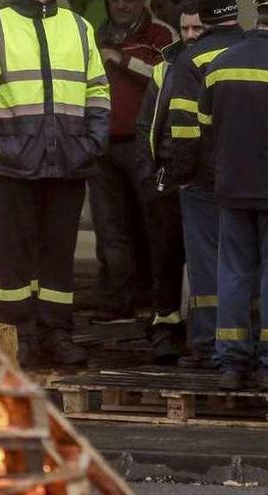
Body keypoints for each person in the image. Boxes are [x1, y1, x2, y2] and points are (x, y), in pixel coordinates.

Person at [0, 0, 111, 366]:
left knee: (59, 256)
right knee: (13, 260)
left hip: (68, 163)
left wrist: (91, 143)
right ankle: (19, 337)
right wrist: (0, 145)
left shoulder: (79, 27)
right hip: (14, 167)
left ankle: (55, 333)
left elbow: (98, 92)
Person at [165, 0, 244, 379]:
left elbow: (182, 126)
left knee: (206, 266)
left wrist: (180, 174)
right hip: (248, 179)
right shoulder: (250, 52)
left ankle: (206, 344)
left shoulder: (192, 59)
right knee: (246, 263)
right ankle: (247, 347)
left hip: (203, 179)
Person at [88, 0, 177, 327]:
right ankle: (115, 300)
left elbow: (172, 74)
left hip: (144, 145)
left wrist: (121, 59)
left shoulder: (162, 34)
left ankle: (158, 301)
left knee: (154, 224)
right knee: (108, 227)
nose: (122, 4)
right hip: (101, 143)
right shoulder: (96, 34)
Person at [198, 3, 268, 389]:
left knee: (234, 273)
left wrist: (219, 175)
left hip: (231, 187)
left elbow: (205, 130)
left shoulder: (221, 64)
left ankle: (232, 362)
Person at [134, 0, 204, 363]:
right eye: (186, 29)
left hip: (206, 180)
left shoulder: (218, 63)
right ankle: (165, 327)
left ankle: (206, 333)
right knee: (165, 256)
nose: (191, 35)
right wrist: (148, 173)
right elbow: (147, 124)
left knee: (206, 260)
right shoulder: (165, 68)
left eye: (198, 29)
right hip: (166, 177)